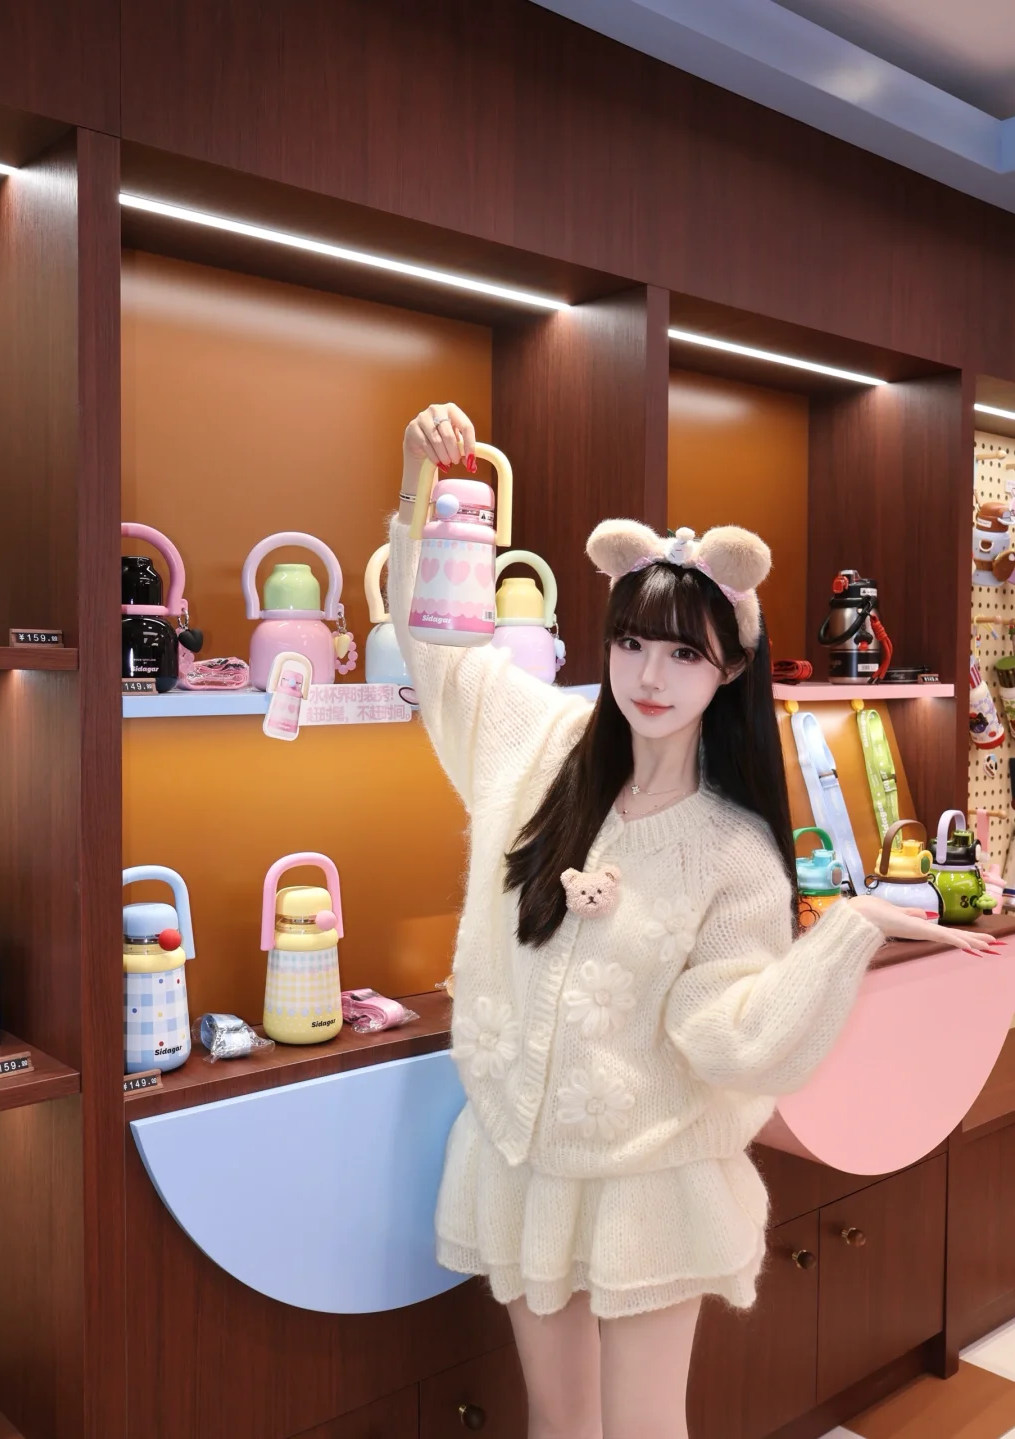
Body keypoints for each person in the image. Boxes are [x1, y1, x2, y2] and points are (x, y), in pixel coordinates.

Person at [387, 402, 1000, 1439]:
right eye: (630, 643)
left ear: (731, 666)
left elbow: (731, 1034)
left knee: (642, 1427)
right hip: (523, 1159)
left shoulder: (733, 849)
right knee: (556, 1422)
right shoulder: (538, 746)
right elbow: (437, 648)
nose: (648, 676)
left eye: (682, 653)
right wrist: (419, 486)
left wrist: (853, 928)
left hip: (651, 1182)